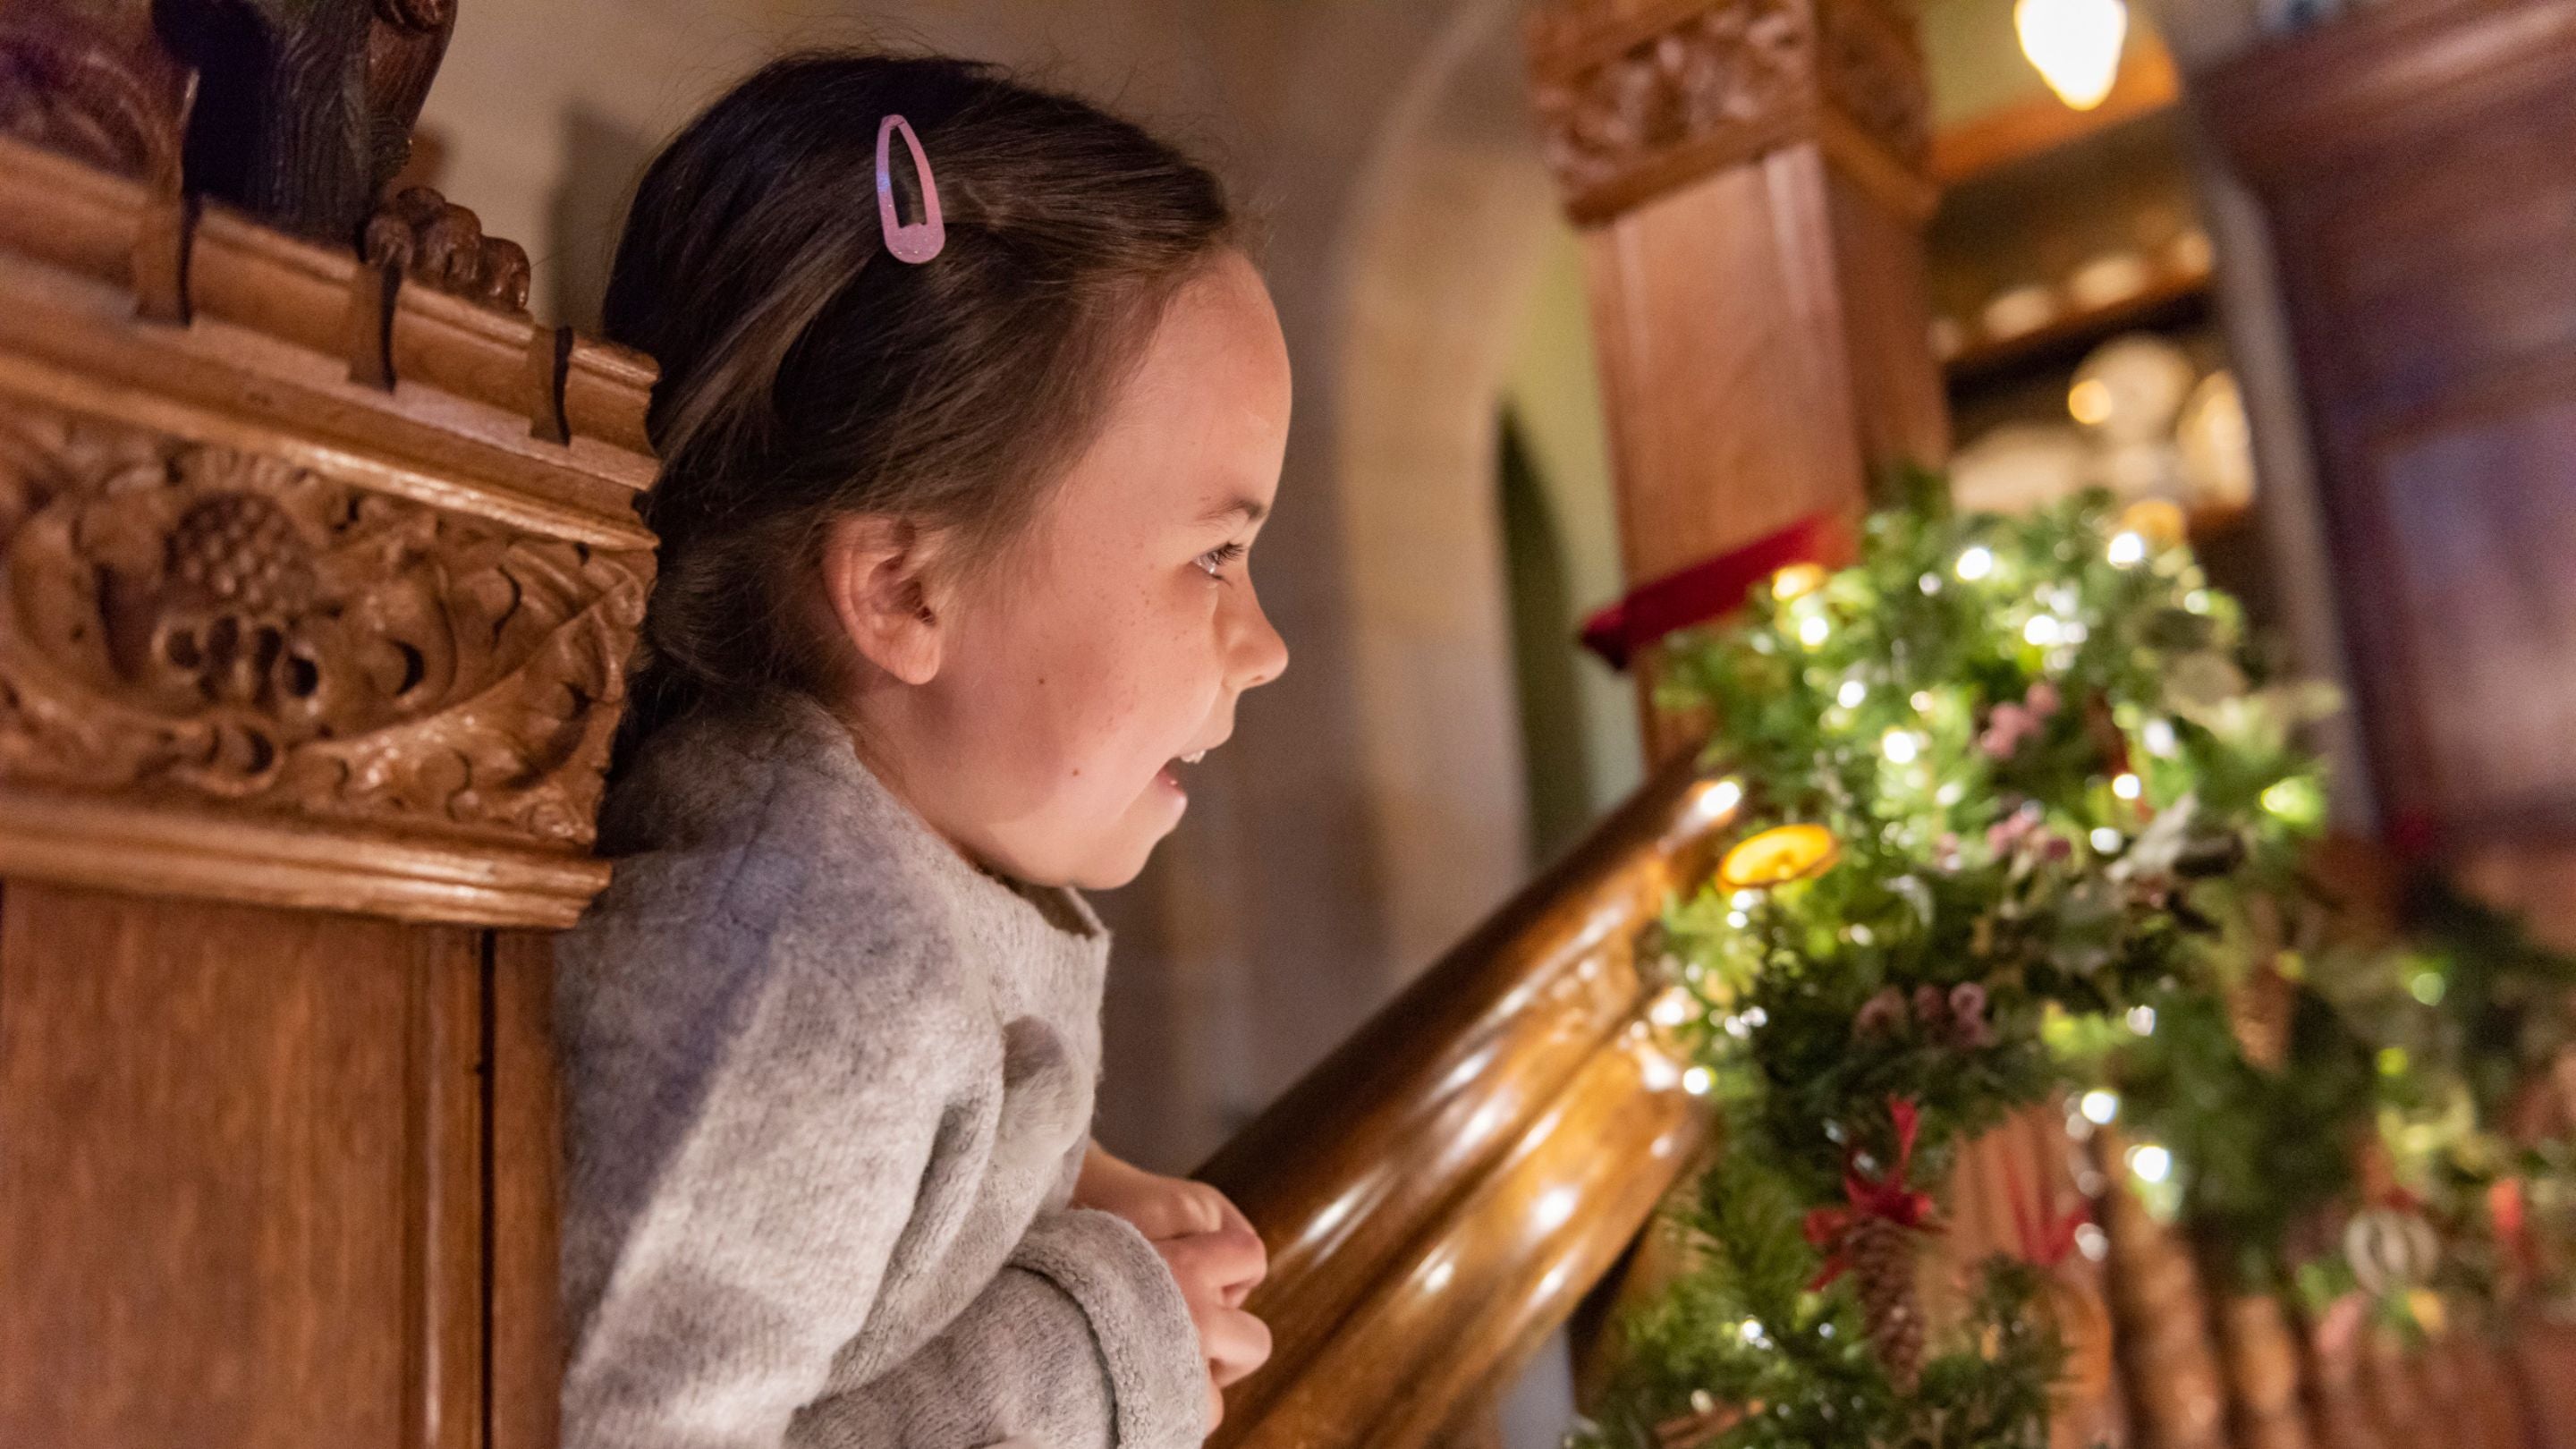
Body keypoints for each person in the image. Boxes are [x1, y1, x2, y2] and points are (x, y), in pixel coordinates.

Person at [554, 50, 1291, 1448]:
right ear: (903, 590)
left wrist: (1067, 1173)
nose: (1265, 644)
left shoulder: (878, 890)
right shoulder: (798, 964)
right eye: (1216, 555)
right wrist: (1098, 1346)